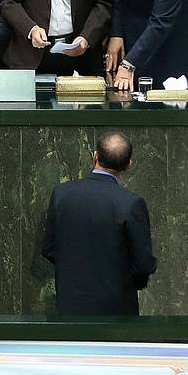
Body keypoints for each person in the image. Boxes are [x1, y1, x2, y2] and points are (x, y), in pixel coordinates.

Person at [41, 130, 156, 315]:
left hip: (70, 304)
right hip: (116, 309)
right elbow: (143, 263)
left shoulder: (62, 194)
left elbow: (49, 248)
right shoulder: (131, 203)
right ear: (128, 165)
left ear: (95, 156)